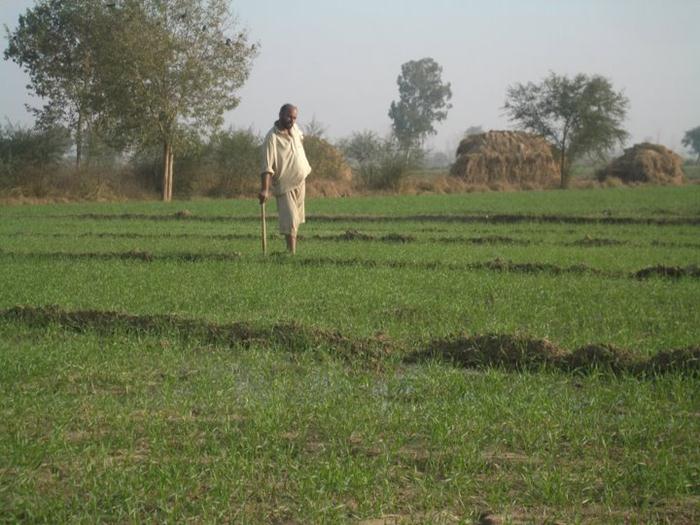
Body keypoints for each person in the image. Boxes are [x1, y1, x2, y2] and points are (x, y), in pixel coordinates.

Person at [259, 103, 312, 254]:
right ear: (280, 115)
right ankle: (291, 253)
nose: (292, 120)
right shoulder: (272, 137)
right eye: (289, 117)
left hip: (300, 180)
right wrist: (265, 189)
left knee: (297, 219)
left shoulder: (295, 129)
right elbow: (267, 166)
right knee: (290, 219)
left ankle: (290, 251)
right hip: (285, 184)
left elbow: (301, 139)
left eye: (294, 118)